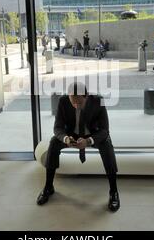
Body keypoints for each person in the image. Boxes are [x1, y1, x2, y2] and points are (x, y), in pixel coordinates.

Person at [36, 82, 120, 212]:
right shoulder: (63, 101)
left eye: (79, 103)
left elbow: (104, 130)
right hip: (72, 135)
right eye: (73, 102)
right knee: (53, 143)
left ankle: (113, 191)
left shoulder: (98, 100)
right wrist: (65, 138)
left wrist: (88, 141)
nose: (76, 106)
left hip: (92, 134)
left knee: (107, 145)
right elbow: (57, 127)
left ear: (86, 96)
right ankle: (48, 187)